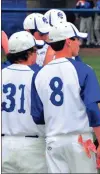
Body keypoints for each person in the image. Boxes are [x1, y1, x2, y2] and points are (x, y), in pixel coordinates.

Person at [30, 22, 100, 173]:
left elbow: (38, 117)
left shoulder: (39, 74)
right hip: (80, 142)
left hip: (53, 141)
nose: (79, 43)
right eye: (76, 39)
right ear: (68, 41)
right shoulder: (84, 70)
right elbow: (93, 109)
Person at [2, 31, 47, 173]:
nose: (36, 54)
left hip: (3, 145)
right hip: (32, 147)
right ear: (28, 53)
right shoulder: (39, 77)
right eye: (35, 50)